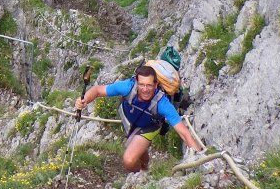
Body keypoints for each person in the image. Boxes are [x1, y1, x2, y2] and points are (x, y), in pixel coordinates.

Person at [75, 64, 205, 172]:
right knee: (139, 151)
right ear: (136, 82)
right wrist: (84, 100)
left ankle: (140, 177)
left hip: (149, 127)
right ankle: (145, 165)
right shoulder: (127, 87)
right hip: (129, 121)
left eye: (149, 85)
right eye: (141, 84)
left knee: (129, 160)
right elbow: (98, 90)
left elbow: (184, 133)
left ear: (156, 85)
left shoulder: (162, 104)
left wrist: (200, 159)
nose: (145, 89)